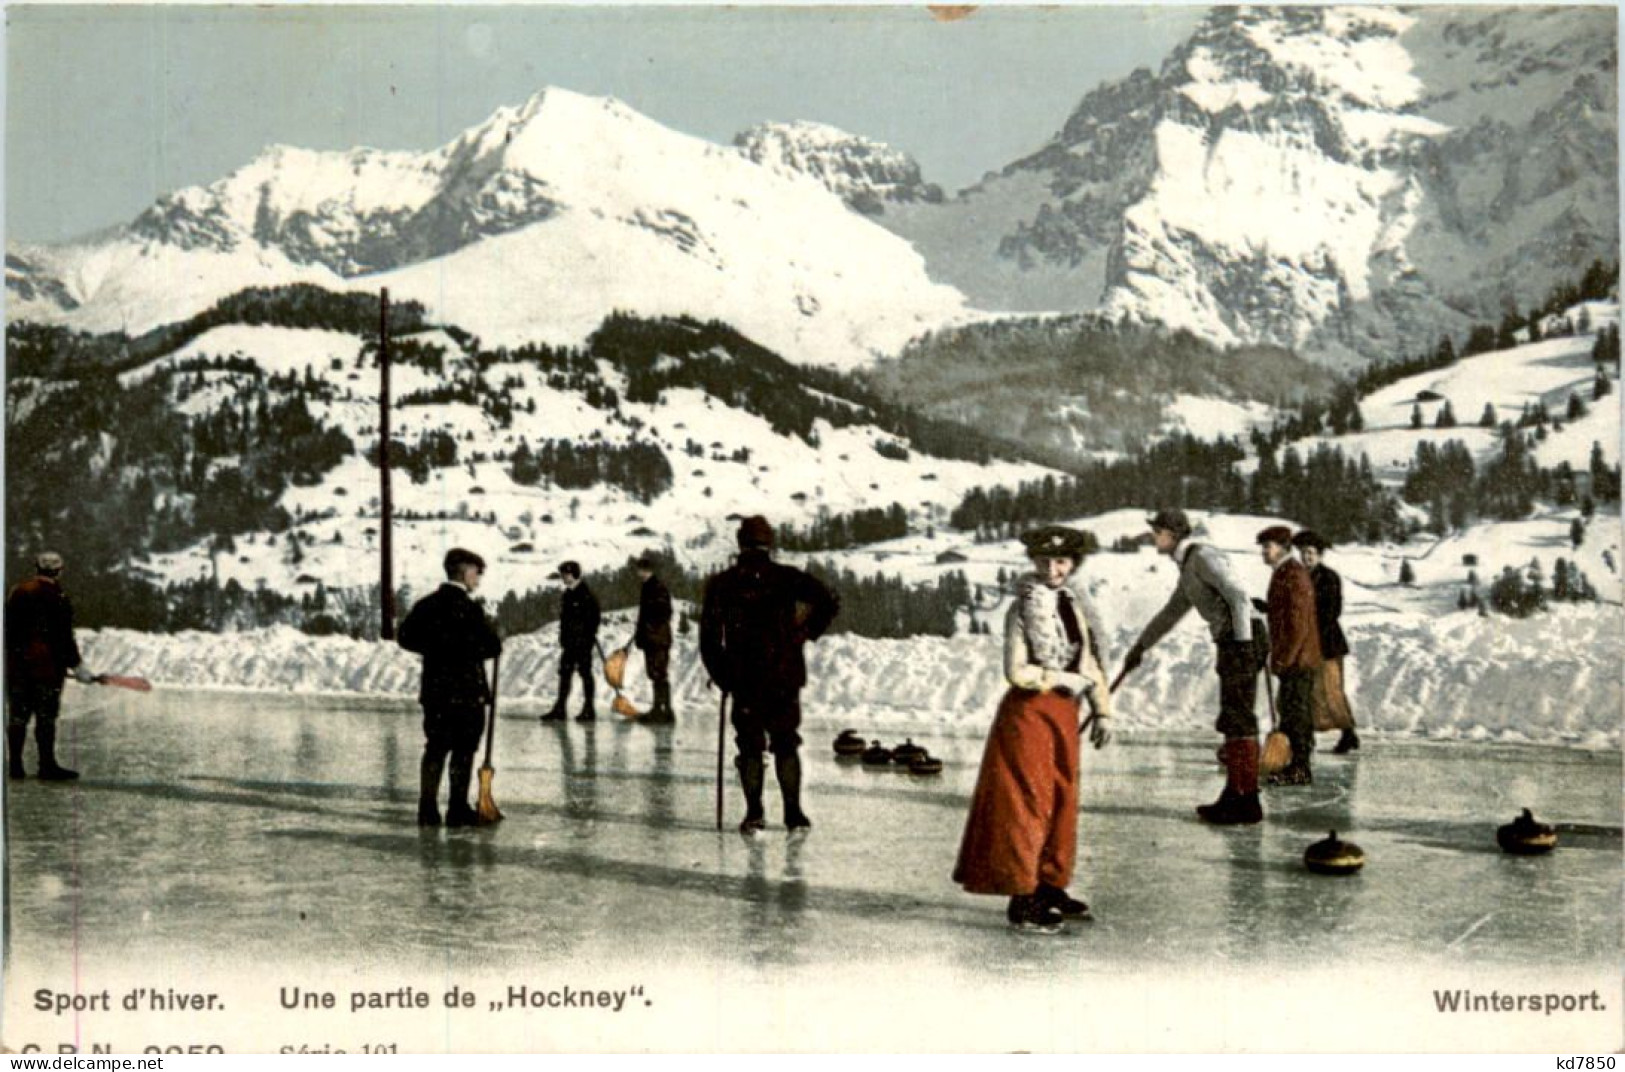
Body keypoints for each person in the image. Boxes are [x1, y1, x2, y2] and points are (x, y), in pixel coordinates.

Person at [953, 526, 1113, 933]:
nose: (1052, 569)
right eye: (1044, 561)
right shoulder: (1022, 608)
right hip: (1028, 714)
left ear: (1073, 563)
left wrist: (1102, 708)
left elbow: (1088, 661)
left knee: (1062, 798)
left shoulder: (1073, 603)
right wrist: (1061, 679)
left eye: (1060, 561)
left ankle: (1050, 884)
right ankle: (1022, 897)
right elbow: (1016, 671)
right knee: (1027, 803)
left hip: (1064, 712)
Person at [700, 515, 839, 834]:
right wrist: (805, 632)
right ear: (769, 542)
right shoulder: (788, 578)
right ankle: (794, 813)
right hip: (784, 675)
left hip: (743, 677)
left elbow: (708, 640)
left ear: (740, 542)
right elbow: (829, 601)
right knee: (786, 744)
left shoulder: (722, 584)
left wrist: (723, 675)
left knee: (750, 747)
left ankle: (754, 814)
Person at [1122, 509, 1263, 825]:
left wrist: (1241, 644)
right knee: (1233, 716)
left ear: (1172, 534)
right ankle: (1235, 794)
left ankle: (1247, 800)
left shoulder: (1202, 556)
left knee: (1238, 717)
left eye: (1157, 532)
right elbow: (1170, 613)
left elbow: (1239, 596)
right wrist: (1140, 646)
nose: (1153, 537)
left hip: (1241, 638)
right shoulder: (1188, 567)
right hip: (1234, 639)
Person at [396, 548, 502, 827]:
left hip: (436, 690)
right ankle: (457, 809)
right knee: (464, 750)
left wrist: (436, 647)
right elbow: (492, 646)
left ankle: (427, 809)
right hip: (467, 691)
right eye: (477, 572)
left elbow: (405, 637)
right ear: (464, 571)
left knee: (436, 748)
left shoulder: (426, 605)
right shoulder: (470, 608)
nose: (478, 579)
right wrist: (467, 648)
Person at [5, 552, 99, 781]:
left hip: (17, 666)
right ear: (59, 571)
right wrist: (77, 665)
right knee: (45, 717)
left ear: (36, 568)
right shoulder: (58, 596)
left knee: (18, 715)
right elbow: (64, 637)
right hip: (47, 668)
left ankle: (15, 766)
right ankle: (46, 765)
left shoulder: (18, 591)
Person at [1258, 527, 1322, 786]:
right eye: (1263, 547)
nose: (1264, 552)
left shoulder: (1293, 574)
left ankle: (1300, 767)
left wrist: (1284, 659)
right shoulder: (1286, 572)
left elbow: (1297, 624)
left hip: (1298, 659)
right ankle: (1294, 761)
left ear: (1283, 547)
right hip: (1297, 656)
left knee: (1296, 712)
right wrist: (1268, 607)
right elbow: (1287, 611)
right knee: (1292, 709)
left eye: (1268, 546)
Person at [1291, 530, 1358, 753]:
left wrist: (1307, 619)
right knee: (1307, 691)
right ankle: (1307, 736)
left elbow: (1333, 610)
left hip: (1327, 643)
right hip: (1305, 645)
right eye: (1303, 553)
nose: (1306, 558)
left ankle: (1348, 733)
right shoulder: (1296, 577)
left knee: (1330, 689)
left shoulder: (1329, 578)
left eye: (1310, 553)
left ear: (1319, 555)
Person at [542, 561, 601, 723]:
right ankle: (560, 708)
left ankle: (589, 709)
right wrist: (564, 637)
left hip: (582, 643)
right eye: (562, 575)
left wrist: (586, 638)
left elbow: (594, 619)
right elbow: (565, 620)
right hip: (569, 643)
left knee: (585, 673)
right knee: (565, 673)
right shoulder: (568, 594)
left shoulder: (586, 594)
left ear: (574, 574)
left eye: (565, 575)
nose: (563, 578)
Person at [633, 555, 675, 724]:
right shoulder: (648, 586)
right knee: (656, 673)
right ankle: (662, 709)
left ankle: (663, 710)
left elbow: (664, 612)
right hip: (654, 638)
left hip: (657, 638)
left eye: (640, 570)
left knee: (659, 673)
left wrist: (649, 628)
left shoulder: (656, 587)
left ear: (647, 570)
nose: (638, 573)